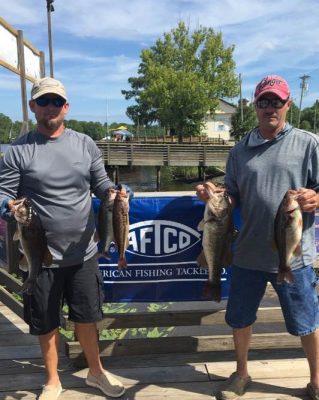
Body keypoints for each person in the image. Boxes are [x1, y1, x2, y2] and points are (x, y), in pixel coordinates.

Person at [0, 77, 130, 400]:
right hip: (39, 254)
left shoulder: (85, 144)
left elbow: (101, 184)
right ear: (33, 107)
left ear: (66, 107)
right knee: (45, 321)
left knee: (88, 317)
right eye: (43, 102)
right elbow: (3, 193)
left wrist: (116, 193)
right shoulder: (17, 150)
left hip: (84, 253)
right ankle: (52, 379)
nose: (50, 107)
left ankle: (96, 372)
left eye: (56, 102)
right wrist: (7, 206)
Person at [196, 75, 319, 400]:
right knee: (240, 318)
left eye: (276, 101)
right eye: (263, 101)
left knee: (307, 321)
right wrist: (215, 198)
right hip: (247, 254)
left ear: (287, 105)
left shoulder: (308, 143)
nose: (270, 108)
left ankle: (316, 380)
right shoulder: (239, 151)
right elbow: (233, 193)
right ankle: (241, 373)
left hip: (295, 257)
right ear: (255, 106)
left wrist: (315, 198)